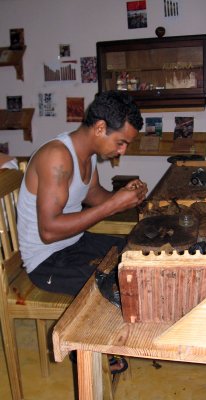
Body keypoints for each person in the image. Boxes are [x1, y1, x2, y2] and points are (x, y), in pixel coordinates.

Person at [17, 90, 148, 373]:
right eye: (121, 142)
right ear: (100, 128)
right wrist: (112, 205)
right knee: (113, 284)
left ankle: (101, 338)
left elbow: (96, 196)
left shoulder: (86, 157)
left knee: (134, 252)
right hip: (46, 261)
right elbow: (49, 231)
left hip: (74, 243)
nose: (122, 151)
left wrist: (126, 197)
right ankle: (85, 350)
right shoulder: (57, 157)